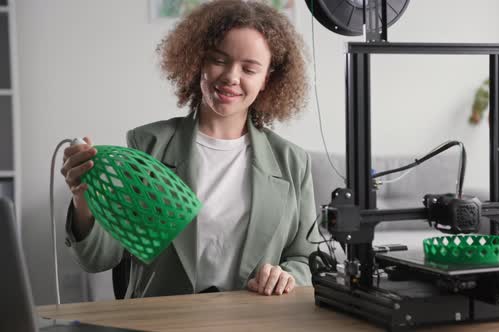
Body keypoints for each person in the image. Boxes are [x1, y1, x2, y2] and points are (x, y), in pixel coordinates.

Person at [60, 0, 318, 298]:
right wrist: (84, 201)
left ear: (266, 80)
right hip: (165, 321)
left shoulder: (293, 161)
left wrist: (287, 276)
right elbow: (99, 258)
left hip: (254, 322)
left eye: (249, 68)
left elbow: (308, 260)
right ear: (199, 63)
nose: (232, 77)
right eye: (219, 60)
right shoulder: (148, 145)